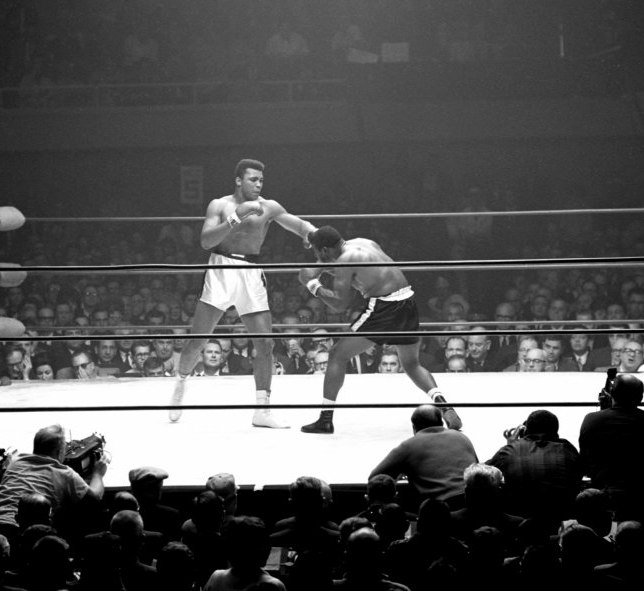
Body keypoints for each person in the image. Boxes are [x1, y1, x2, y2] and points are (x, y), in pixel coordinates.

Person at [169, 159, 317, 429]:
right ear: (238, 180)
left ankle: (262, 409)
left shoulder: (269, 206)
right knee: (197, 341)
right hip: (222, 268)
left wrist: (312, 233)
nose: (258, 185)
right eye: (253, 180)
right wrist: (236, 218)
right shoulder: (219, 205)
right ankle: (180, 382)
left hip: (251, 270)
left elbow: (296, 224)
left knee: (266, 344)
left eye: (261, 180)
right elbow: (205, 241)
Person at [297, 226, 462, 434]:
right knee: (411, 364)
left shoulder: (344, 261)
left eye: (317, 253)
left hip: (385, 307)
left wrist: (313, 285)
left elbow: (340, 304)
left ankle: (325, 419)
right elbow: (366, 273)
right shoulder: (363, 242)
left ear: (324, 251)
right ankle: (444, 405)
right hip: (407, 300)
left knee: (337, 355)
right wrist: (324, 268)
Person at [0, 424, 107, 539]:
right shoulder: (65, 473)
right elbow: (95, 498)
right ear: (60, 451)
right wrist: (97, 474)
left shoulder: (16, 462)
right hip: (18, 530)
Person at [578, 374, 644, 523]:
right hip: (641, 494)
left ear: (612, 394)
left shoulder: (592, 419)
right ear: (641, 397)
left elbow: (584, 458)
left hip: (603, 491)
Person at [369, 404, 477, 508]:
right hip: (475, 502)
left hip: (440, 510)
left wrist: (402, 471)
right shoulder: (461, 437)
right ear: (441, 423)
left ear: (414, 427)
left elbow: (375, 478)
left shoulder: (408, 446)